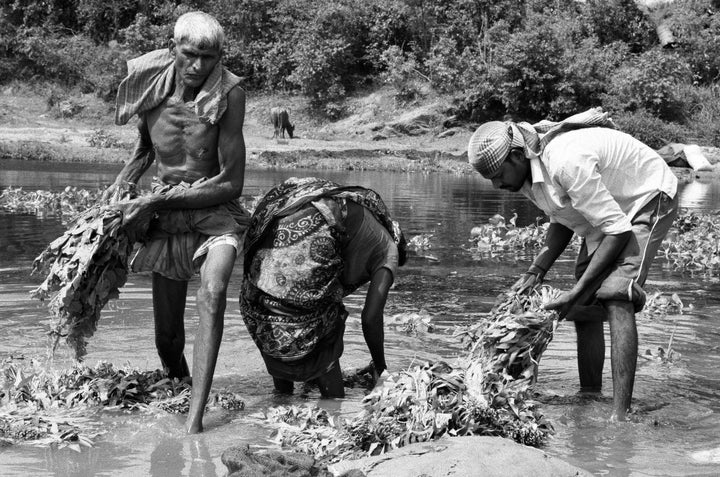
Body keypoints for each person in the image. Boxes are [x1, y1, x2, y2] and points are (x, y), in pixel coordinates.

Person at [467, 108, 678, 421]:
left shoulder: (564, 161)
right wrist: (534, 272)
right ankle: (590, 394)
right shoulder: (526, 175)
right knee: (584, 307)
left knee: (616, 294)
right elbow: (562, 219)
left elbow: (619, 230)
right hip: (609, 211)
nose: (497, 185)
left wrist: (578, 290)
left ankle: (621, 414)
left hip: (646, 195)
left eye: (498, 176)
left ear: (516, 156)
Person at [101, 11, 249, 433]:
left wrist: (153, 203)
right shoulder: (150, 85)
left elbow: (232, 183)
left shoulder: (230, 94)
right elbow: (146, 146)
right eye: (191, 55)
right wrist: (124, 183)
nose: (200, 66)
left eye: (209, 57)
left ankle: (194, 422)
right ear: (174, 51)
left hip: (211, 214)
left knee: (214, 292)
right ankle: (182, 388)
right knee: (167, 340)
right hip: (163, 219)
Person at [239, 177, 407, 397]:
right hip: (310, 233)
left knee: (273, 299)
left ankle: (281, 397)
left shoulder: (365, 217)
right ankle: (332, 403)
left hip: (265, 256)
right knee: (326, 319)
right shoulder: (389, 251)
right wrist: (380, 366)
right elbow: (371, 317)